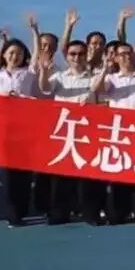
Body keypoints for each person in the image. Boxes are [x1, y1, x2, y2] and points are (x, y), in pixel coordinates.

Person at [90, 41, 135, 225]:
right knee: (118, 174)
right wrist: (105, 67)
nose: (126, 57)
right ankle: (118, 213)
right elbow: (95, 89)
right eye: (122, 54)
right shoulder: (112, 79)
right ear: (116, 58)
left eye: (129, 53)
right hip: (117, 132)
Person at [0, 39, 41, 227]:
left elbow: (37, 100)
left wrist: (35, 32)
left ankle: (22, 209)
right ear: (4, 54)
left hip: (25, 130)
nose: (15, 57)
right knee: (7, 175)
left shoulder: (29, 75)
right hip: (4, 130)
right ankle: (12, 214)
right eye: (11, 53)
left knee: (24, 174)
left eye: (19, 53)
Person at [38, 38, 94, 224]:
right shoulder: (60, 77)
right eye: (72, 54)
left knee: (86, 175)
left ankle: (87, 212)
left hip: (86, 131)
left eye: (81, 54)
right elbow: (45, 88)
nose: (76, 58)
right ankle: (59, 213)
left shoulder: (93, 77)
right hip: (63, 131)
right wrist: (44, 70)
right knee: (60, 175)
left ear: (86, 55)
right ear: (67, 57)